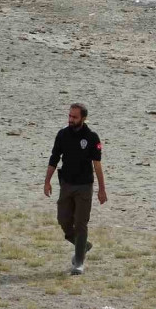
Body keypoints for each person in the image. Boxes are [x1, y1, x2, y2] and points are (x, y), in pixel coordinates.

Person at [43, 103, 107, 275]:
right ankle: (83, 246)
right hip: (66, 185)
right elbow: (54, 159)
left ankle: (78, 262)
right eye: (69, 116)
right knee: (64, 221)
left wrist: (102, 189)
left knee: (80, 223)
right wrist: (47, 181)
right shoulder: (62, 135)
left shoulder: (92, 137)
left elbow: (97, 165)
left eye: (74, 117)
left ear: (83, 118)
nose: (70, 119)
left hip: (84, 186)